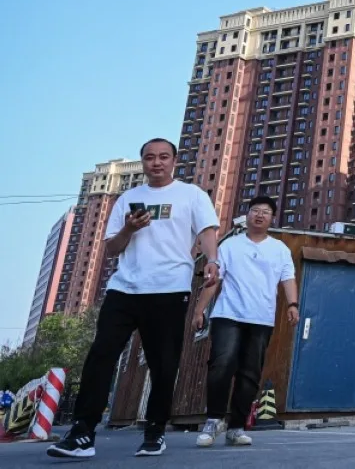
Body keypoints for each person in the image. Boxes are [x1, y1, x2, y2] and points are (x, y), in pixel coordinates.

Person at [48, 138, 219, 460]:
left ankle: (154, 432)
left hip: (169, 289)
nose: (157, 163)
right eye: (150, 158)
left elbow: (208, 231)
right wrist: (128, 229)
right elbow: (111, 248)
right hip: (124, 288)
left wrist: (212, 260)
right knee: (100, 357)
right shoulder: (128, 197)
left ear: (174, 161)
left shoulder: (191, 195)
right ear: (143, 162)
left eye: (163, 157)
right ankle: (83, 432)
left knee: (163, 363)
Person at [192, 195, 297, 448]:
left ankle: (236, 427)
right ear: (247, 215)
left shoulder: (280, 249)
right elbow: (214, 280)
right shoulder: (229, 246)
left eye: (266, 212)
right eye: (255, 210)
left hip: (261, 318)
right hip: (228, 315)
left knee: (250, 373)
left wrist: (293, 305)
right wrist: (199, 310)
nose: (259, 215)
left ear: (272, 219)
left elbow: (288, 279)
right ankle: (213, 420)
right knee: (221, 366)